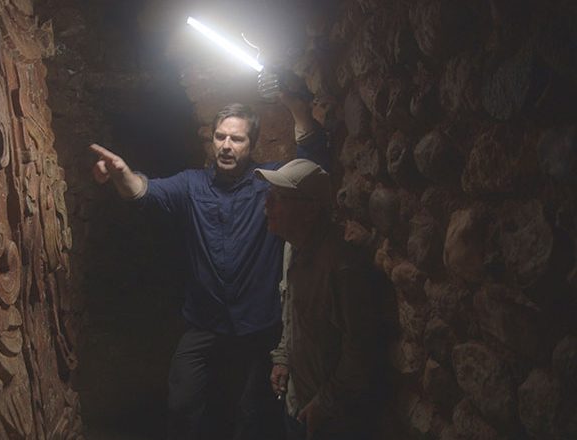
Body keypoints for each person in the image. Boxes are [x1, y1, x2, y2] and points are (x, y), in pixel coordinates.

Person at [91, 92, 327, 439]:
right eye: (220, 136)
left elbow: (310, 170)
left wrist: (299, 113)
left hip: (257, 324)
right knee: (182, 404)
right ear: (212, 138)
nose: (226, 146)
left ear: (252, 144)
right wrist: (121, 173)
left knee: (253, 416)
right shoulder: (191, 185)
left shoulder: (268, 184)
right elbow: (144, 192)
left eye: (237, 138)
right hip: (206, 320)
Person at [256, 159, 381, 440]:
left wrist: (325, 403)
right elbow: (293, 313)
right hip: (299, 404)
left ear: (310, 210)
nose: (267, 205)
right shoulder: (292, 247)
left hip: (332, 420)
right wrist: (284, 359)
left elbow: (360, 348)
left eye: (278, 198)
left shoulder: (341, 267)